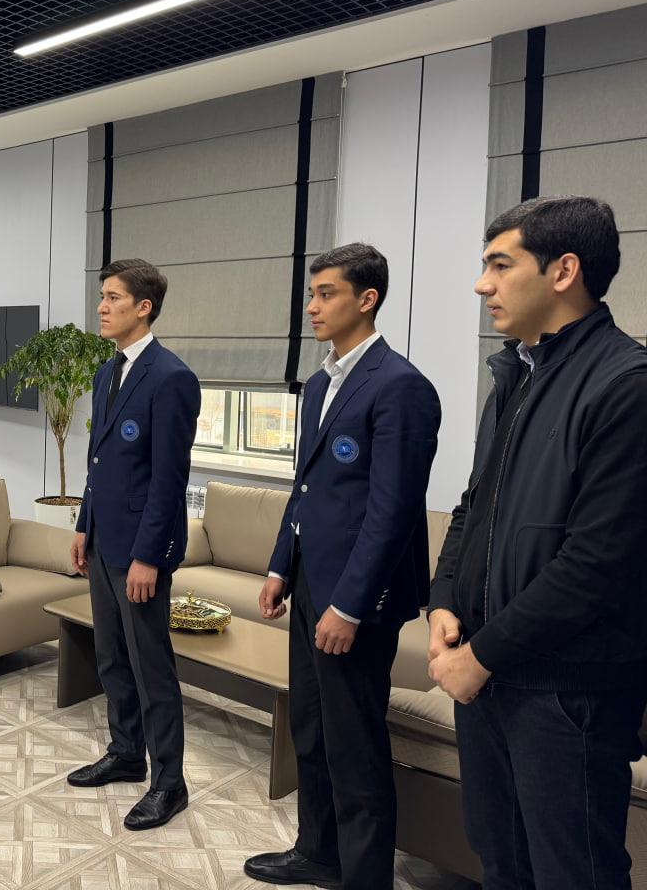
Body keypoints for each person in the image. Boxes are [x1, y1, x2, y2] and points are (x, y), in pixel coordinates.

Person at [427, 196, 647, 889]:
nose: (481, 284)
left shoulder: (626, 386)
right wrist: (442, 600)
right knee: (501, 862)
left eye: (500, 265)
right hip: (489, 679)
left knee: (572, 874)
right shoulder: (515, 378)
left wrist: (479, 657)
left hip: (565, 693)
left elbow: (597, 566)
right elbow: (473, 508)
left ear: (564, 271)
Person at [245, 243, 441, 889]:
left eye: (326, 293)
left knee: (355, 746)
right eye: (312, 293)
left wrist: (350, 605)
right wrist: (280, 564)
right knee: (310, 729)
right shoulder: (320, 384)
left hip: (357, 600)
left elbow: (392, 512)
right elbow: (304, 487)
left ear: (367, 299)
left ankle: (364, 877)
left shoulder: (401, 387)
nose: (312, 306)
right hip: (309, 583)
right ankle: (318, 853)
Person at [66, 258, 201, 831]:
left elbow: (169, 480)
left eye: (114, 297)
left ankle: (169, 783)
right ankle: (126, 752)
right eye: (102, 296)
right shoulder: (107, 373)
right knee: (111, 656)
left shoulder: (171, 378)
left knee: (151, 667)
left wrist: (149, 556)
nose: (101, 307)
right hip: (103, 540)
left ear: (144, 308)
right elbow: (99, 462)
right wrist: (83, 523)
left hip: (141, 552)